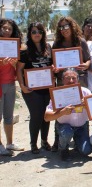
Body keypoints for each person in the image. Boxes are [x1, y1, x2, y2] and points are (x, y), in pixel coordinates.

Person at [51, 16, 91, 151]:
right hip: (63, 82)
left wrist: (86, 65)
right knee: (60, 109)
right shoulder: (57, 44)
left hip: (79, 80)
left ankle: (81, 134)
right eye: (61, 27)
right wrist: (55, 68)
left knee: (81, 106)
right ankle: (59, 140)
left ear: (72, 26)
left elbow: (88, 60)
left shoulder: (81, 42)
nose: (63, 30)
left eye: (66, 26)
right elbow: (53, 64)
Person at [16, 22, 52, 154]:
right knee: (36, 115)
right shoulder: (25, 50)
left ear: (43, 34)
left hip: (47, 88)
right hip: (31, 90)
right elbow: (19, 70)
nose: (37, 34)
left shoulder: (48, 48)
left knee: (46, 115)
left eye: (40, 32)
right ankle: (33, 143)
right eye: (34, 32)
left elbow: (52, 66)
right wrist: (22, 86)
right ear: (30, 34)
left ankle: (44, 141)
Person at [44, 68, 92, 161]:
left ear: (78, 79)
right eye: (67, 78)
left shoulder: (86, 92)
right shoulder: (57, 93)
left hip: (81, 126)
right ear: (62, 80)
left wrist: (87, 105)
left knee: (86, 151)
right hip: (64, 126)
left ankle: (77, 143)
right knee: (66, 132)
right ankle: (63, 148)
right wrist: (62, 112)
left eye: (73, 78)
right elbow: (46, 117)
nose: (71, 81)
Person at [0, 19, 24, 156]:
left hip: (10, 84)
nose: (7, 31)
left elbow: (17, 69)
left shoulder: (14, 45)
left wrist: (15, 63)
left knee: (8, 116)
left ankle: (9, 143)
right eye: (4, 28)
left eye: (9, 29)